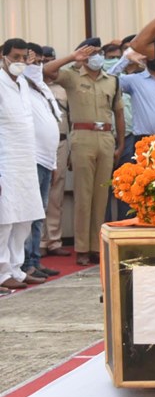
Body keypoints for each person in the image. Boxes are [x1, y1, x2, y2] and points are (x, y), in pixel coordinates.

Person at [45, 39, 124, 265]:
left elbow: (118, 113)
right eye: (92, 53)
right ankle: (81, 248)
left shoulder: (112, 81)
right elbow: (47, 71)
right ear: (84, 56)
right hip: (82, 137)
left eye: (99, 52)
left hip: (106, 138)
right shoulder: (72, 76)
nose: (97, 56)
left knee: (101, 196)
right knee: (83, 195)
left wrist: (119, 144)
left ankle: (96, 245)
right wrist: (73, 57)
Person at [0, 39, 46, 290]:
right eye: (14, 57)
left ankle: (16, 270)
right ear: (3, 56)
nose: (18, 62)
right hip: (5, 160)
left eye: (22, 58)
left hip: (27, 159)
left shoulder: (23, 84)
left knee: (25, 217)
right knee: (5, 219)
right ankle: (1, 271)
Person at [21, 43, 62, 279]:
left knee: (39, 213)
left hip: (46, 159)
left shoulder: (42, 88)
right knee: (28, 214)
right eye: (31, 62)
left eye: (38, 63)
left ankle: (35, 260)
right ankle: (26, 263)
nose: (36, 66)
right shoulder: (19, 86)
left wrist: (54, 163)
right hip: (30, 158)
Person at [40, 45, 71, 257]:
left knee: (56, 193)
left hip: (61, 143)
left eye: (50, 60)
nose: (46, 64)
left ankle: (54, 240)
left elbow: (71, 119)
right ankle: (39, 242)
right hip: (39, 146)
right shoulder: (31, 87)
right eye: (42, 61)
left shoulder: (63, 89)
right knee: (38, 193)